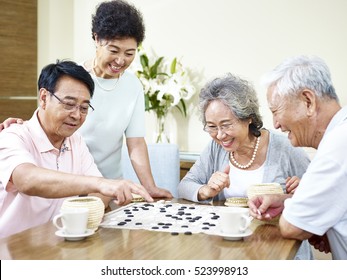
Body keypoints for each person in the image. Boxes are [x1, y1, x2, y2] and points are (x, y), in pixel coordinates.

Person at [0, 0, 172, 200]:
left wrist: (148, 186)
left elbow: (135, 142)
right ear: (96, 39)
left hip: (104, 186)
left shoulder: (133, 86)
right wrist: (17, 127)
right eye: (114, 50)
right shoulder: (73, 80)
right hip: (60, 182)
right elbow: (46, 121)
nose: (120, 60)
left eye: (129, 53)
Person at [0, 60, 153, 238]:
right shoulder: (12, 135)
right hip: (12, 251)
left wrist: (96, 199)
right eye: (68, 104)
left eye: (84, 108)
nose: (76, 115)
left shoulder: (75, 141)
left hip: (58, 246)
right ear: (43, 98)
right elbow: (26, 180)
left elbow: (99, 192)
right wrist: (101, 183)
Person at [177, 73, 313, 259]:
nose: (220, 135)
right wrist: (205, 190)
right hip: (229, 249)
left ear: (248, 118)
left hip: (278, 251)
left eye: (226, 125)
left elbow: (317, 198)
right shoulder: (215, 148)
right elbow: (184, 185)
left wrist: (296, 192)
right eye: (212, 126)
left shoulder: (285, 148)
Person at [248, 55, 347, 260]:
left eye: (276, 111)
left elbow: (291, 226)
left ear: (308, 101)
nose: (275, 124)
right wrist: (287, 201)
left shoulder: (337, 146)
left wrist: (293, 207)